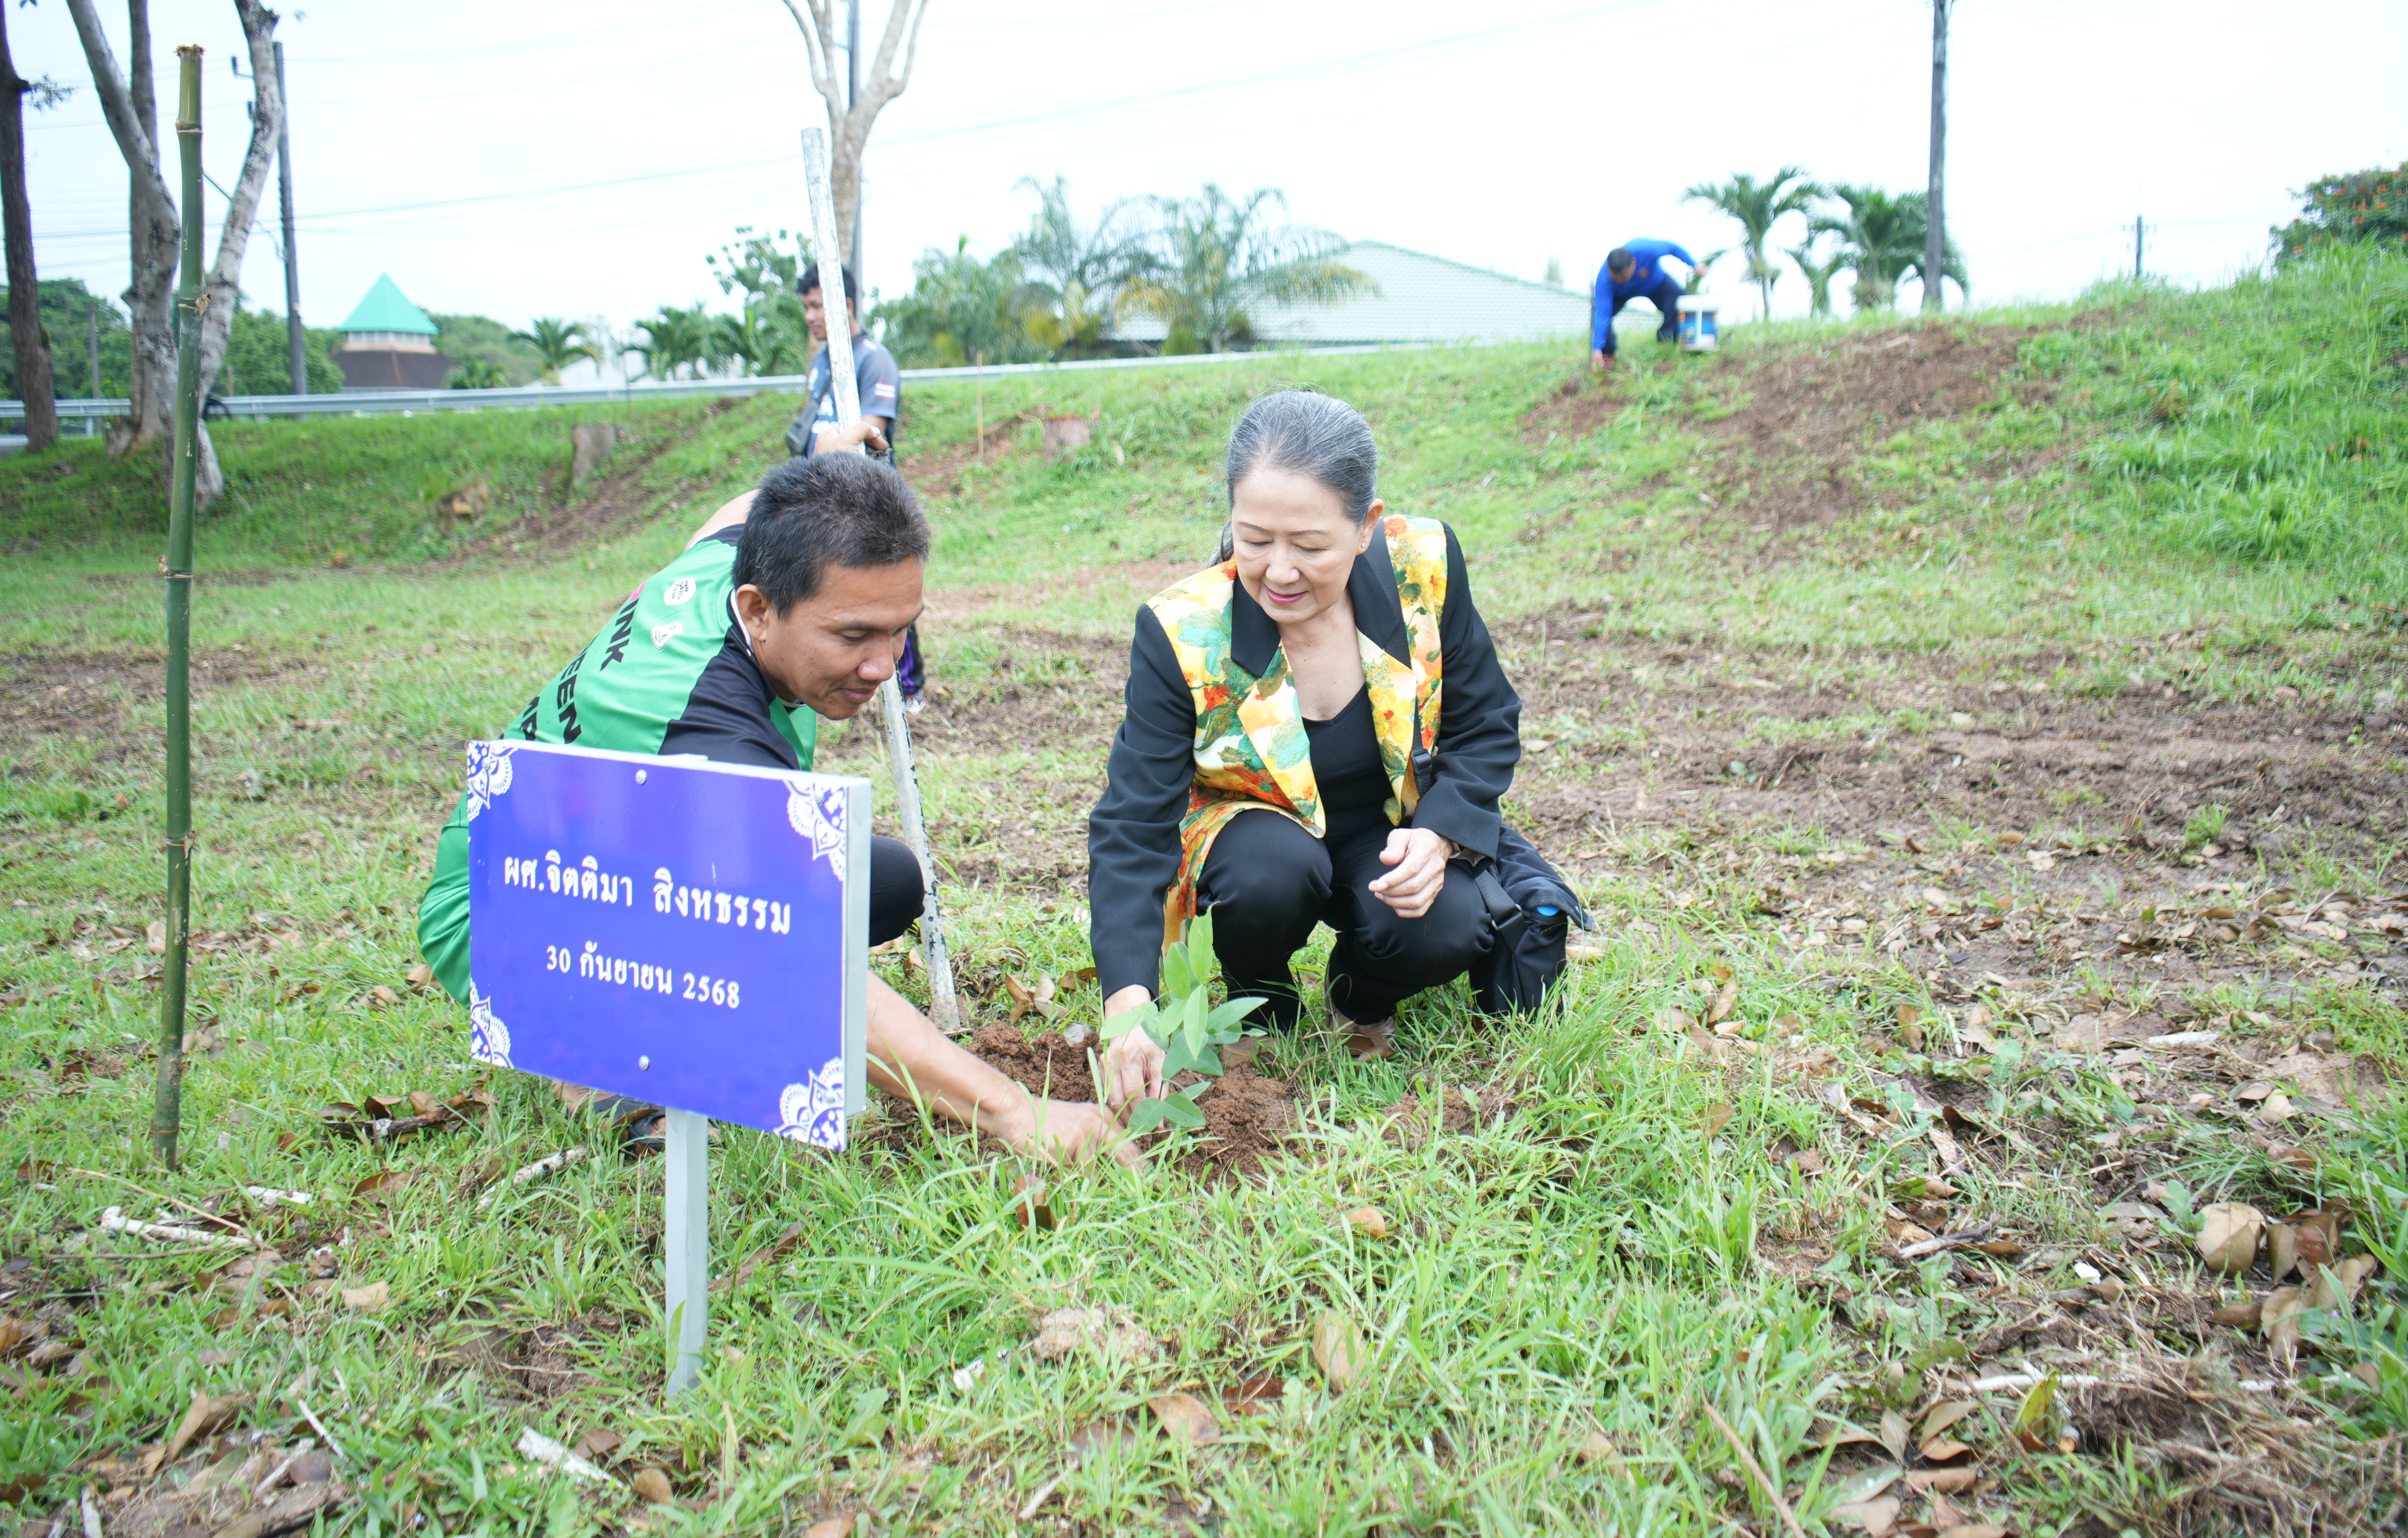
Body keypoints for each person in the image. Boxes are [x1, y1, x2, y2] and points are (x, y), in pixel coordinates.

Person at [415, 453, 1133, 1169]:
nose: (884, 666)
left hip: (603, 843)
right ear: (760, 610)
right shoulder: (713, 738)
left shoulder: (740, 556)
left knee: (884, 881)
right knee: (765, 941)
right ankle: (597, 1063)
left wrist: (833, 447)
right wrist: (1016, 1110)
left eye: (900, 630)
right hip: (504, 916)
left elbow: (741, 508)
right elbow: (807, 969)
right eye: (853, 636)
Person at [1088, 390, 1569, 1111]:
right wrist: (1128, 1003)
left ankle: (1361, 992)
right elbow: (1133, 822)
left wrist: (1438, 837)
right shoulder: (1183, 631)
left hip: (1385, 830)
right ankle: (1260, 999)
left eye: (1309, 547)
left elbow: (1485, 721)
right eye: (1254, 540)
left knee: (1449, 925)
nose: (1279, 572)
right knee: (1271, 873)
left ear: (1366, 527)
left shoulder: (1422, 568)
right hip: (1253, 841)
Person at [792, 261, 925, 708]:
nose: (810, 316)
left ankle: (909, 688)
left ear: (844, 304)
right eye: (806, 307)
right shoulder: (820, 363)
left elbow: (871, 431)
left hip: (867, 500)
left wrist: (832, 459)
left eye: (817, 306)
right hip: (820, 496)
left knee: (887, 597)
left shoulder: (874, 360)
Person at [1590, 238, 1705, 369]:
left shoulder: (1645, 249)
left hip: (1655, 284)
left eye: (1622, 276)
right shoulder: (1605, 280)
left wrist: (1695, 265)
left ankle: (1666, 345)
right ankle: (1607, 355)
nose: (1619, 280)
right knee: (1597, 312)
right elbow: (1602, 315)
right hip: (1620, 294)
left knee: (1679, 299)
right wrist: (1597, 349)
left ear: (1634, 264)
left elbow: (1673, 248)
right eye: (1615, 277)